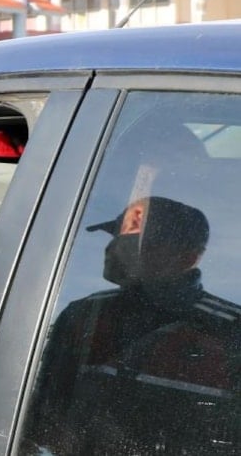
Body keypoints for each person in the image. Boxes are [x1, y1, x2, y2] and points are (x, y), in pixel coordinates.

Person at [22, 195, 241, 455]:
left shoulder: (229, 330)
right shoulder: (83, 314)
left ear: (187, 257)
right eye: (115, 237)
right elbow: (38, 420)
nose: (112, 248)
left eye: (132, 242)